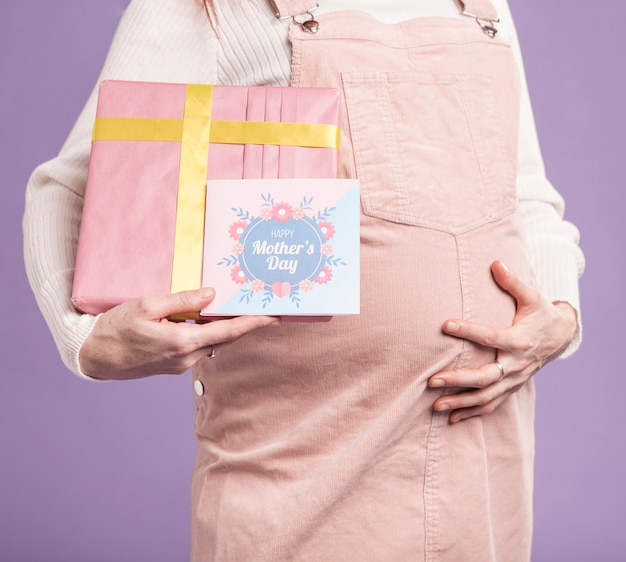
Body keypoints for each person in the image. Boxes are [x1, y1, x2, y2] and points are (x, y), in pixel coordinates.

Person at [23, 0, 584, 560]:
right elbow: (70, 185)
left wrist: (559, 316)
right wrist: (85, 339)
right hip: (301, 463)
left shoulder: (483, 7)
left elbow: (525, 191)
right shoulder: (205, 9)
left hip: (482, 453)